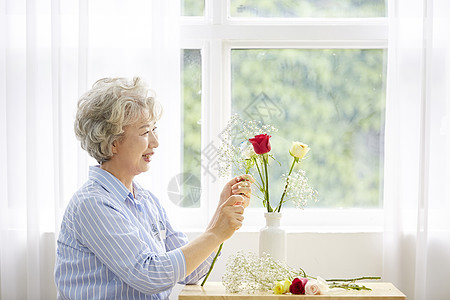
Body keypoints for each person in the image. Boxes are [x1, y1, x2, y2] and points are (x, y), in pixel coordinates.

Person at [54, 77, 254, 299]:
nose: (155, 142)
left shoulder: (146, 201)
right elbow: (149, 275)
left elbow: (192, 273)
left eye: (154, 130)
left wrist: (221, 213)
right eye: (144, 132)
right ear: (113, 143)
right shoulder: (93, 204)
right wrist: (217, 233)